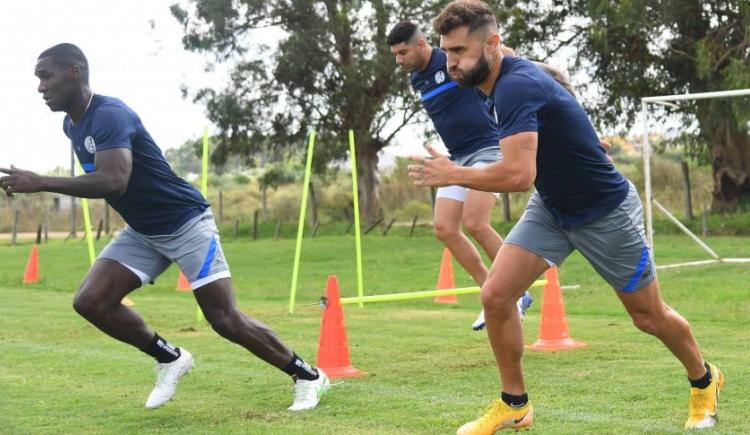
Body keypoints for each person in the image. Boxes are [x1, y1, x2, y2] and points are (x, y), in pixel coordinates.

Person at [408, 1, 724, 432]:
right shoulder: (496, 71)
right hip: (552, 207)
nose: (452, 63)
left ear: (492, 44)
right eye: (447, 52)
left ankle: (704, 380)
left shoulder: (512, 86)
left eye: (460, 51)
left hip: (604, 212)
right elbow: (553, 78)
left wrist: (452, 174)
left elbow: (519, 176)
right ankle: (514, 404)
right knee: (496, 296)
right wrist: (582, 124)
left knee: (648, 317)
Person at [0, 43, 329, 411]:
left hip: (186, 223)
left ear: (75, 72)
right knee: (90, 301)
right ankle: (170, 357)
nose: (40, 87)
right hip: (143, 231)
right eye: (38, 79)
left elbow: (114, 181)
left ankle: (309, 376)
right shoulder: (71, 125)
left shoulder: (111, 114)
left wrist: (41, 181)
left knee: (224, 319)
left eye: (46, 76)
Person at [386, 21, 532, 330]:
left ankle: (516, 292)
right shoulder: (416, 78)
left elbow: (502, 52)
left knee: (476, 221)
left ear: (422, 45)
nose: (398, 60)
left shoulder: (449, 58)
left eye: (402, 52)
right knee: (444, 228)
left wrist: (504, 53)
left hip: (489, 148)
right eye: (395, 54)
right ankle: (490, 293)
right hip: (457, 156)